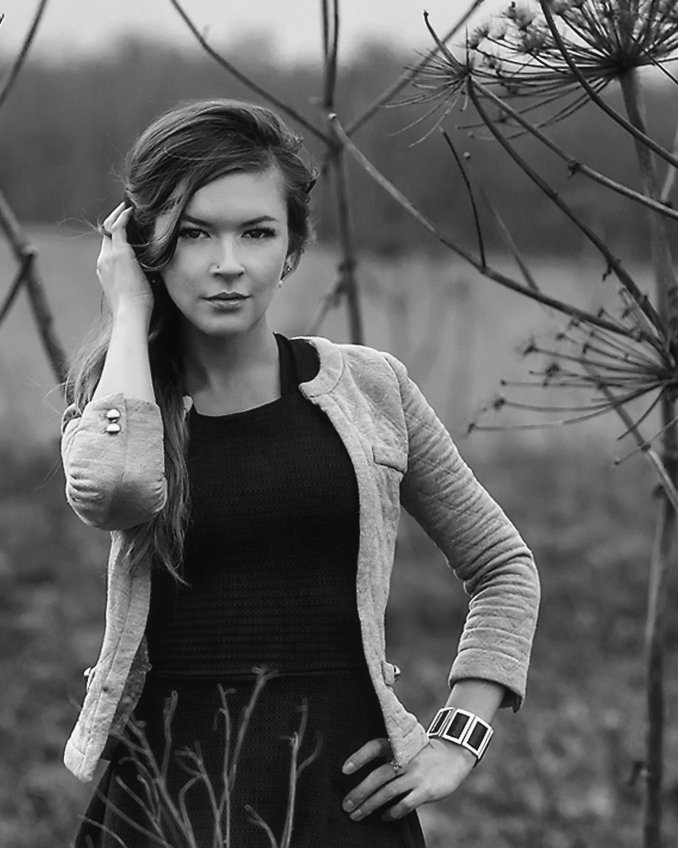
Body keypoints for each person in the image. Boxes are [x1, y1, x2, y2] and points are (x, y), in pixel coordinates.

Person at [60, 98, 539, 847]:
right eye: (194, 233)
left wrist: (460, 735)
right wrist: (127, 311)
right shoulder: (120, 405)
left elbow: (503, 566)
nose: (228, 263)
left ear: (290, 249)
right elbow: (118, 491)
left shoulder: (371, 389)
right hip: (165, 804)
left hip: (341, 806)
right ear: (148, 246)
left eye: (256, 233)